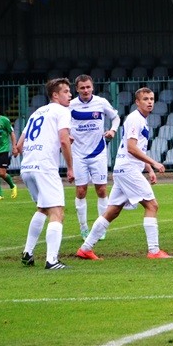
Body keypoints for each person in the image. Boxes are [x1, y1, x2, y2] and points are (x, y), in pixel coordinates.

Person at [76, 87, 172, 259]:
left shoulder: (141, 119)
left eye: (151, 98)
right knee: (152, 205)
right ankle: (154, 251)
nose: (150, 102)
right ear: (137, 102)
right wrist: (154, 163)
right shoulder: (135, 119)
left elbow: (137, 147)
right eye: (145, 99)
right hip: (128, 169)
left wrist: (148, 169)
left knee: (112, 211)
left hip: (124, 169)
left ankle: (85, 248)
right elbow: (131, 148)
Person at [17, 78, 74, 270]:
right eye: (66, 91)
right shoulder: (62, 111)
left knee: (43, 208)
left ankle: (27, 253)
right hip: (45, 167)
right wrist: (71, 168)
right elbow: (65, 141)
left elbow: (19, 145)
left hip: (27, 167)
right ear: (55, 95)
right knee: (57, 211)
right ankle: (52, 260)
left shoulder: (37, 112)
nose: (70, 94)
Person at [69, 74, 120, 238]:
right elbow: (61, 123)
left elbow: (116, 118)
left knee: (102, 190)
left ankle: (100, 227)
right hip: (78, 154)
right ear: (76, 89)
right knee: (81, 191)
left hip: (98, 153)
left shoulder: (101, 102)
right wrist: (67, 134)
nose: (85, 90)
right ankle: (83, 227)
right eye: (82, 88)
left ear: (92, 87)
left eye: (88, 87)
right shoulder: (70, 105)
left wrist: (112, 130)